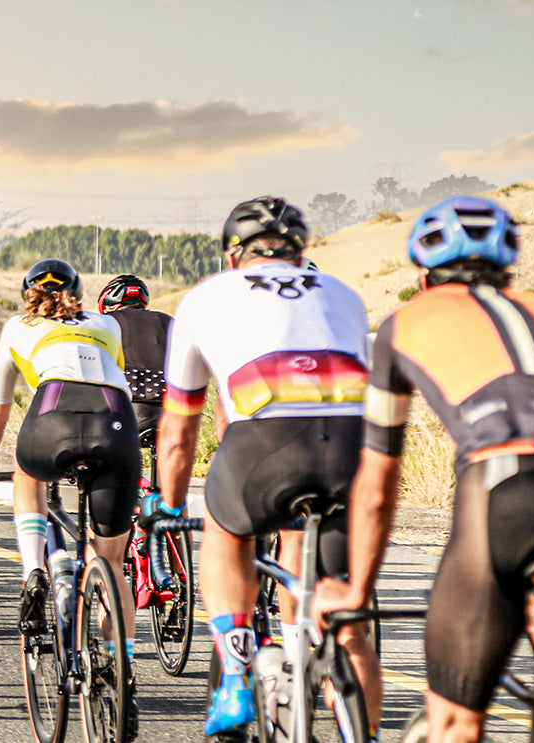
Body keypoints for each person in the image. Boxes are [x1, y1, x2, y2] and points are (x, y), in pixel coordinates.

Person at [312, 197, 534, 743]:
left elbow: (376, 482)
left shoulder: (404, 324)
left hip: (502, 485)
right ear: (508, 270)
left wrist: (357, 591)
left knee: (455, 719)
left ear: (422, 275)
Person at [151, 196, 376, 738]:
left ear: (233, 256)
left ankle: (234, 674)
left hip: (263, 443)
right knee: (345, 620)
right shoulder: (344, 294)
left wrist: (171, 505)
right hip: (351, 448)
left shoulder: (206, 297)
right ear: (301, 253)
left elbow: (180, 431)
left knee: (225, 538)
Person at [0, 258, 141, 732]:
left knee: (28, 473)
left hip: (52, 420)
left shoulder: (18, 328)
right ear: (79, 291)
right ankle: (117, 666)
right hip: (116, 424)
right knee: (112, 564)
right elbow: (111, 376)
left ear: (27, 293)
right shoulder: (106, 323)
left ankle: (34, 570)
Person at [97, 274, 172, 443]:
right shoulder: (168, 321)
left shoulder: (105, 323)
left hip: (126, 411)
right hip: (172, 411)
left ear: (107, 306)